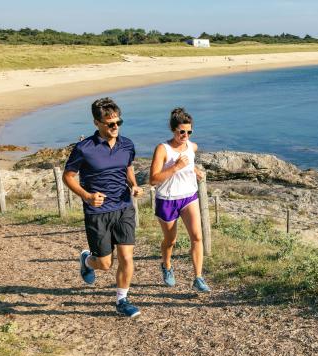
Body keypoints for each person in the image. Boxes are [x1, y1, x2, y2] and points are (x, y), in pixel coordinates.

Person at [63, 97, 143, 318]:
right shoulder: (84, 148)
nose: (115, 127)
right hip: (97, 212)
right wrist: (87, 196)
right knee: (105, 264)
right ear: (96, 123)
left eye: (118, 122)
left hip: (124, 207)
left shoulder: (127, 144)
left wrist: (134, 185)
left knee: (127, 257)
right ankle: (87, 260)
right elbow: (68, 177)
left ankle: (122, 300)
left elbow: (127, 167)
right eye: (110, 124)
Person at [149, 107, 209, 292]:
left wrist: (194, 169)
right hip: (167, 199)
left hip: (189, 196)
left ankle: (198, 277)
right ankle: (166, 266)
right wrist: (175, 167)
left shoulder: (192, 146)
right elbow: (152, 179)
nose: (185, 135)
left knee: (197, 237)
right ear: (173, 129)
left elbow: (189, 162)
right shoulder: (163, 149)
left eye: (189, 131)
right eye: (181, 131)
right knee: (171, 240)